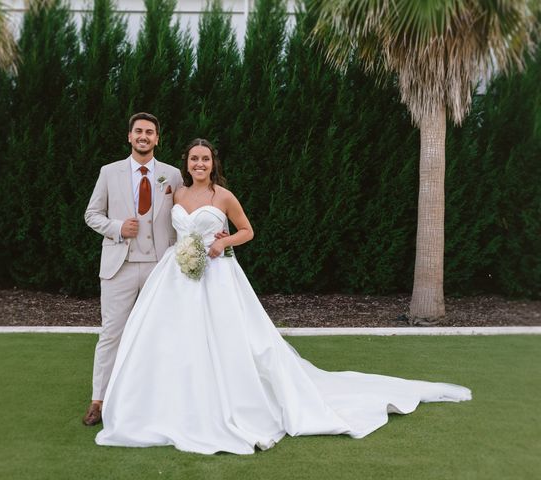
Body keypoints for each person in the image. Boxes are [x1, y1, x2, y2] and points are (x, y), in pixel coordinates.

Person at [95, 138, 471, 454]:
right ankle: (170, 407)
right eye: (194, 158)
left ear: (213, 164)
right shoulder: (174, 191)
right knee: (170, 343)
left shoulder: (223, 195)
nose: (199, 164)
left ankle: (232, 405)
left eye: (205, 159)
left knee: (233, 342)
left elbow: (248, 231)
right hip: (176, 277)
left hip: (218, 276)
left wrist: (222, 241)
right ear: (186, 163)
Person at [82, 112, 183, 426]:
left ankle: (158, 400)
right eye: (138, 131)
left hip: (159, 267)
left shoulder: (173, 174)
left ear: (157, 138)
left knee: (160, 334)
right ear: (129, 136)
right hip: (119, 267)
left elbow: (185, 215)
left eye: (149, 132)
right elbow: (91, 214)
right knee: (112, 334)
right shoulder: (109, 172)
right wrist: (115, 227)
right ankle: (98, 401)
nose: (144, 136)